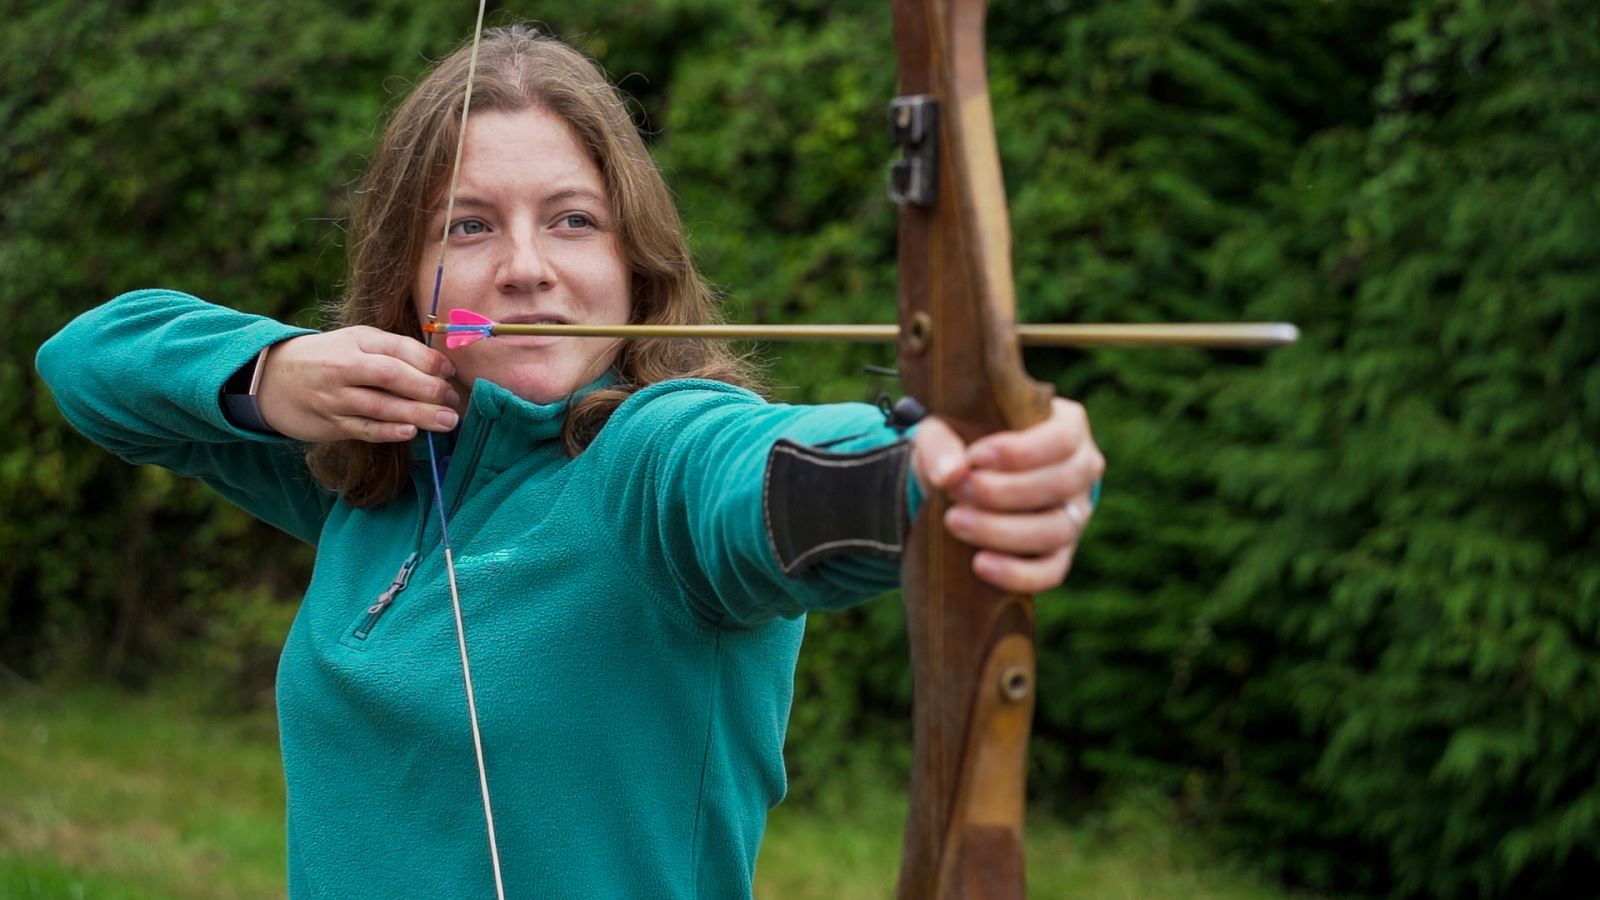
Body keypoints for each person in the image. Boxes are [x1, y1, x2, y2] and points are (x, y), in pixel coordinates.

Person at [37, 25, 1103, 899]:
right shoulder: (382, 469)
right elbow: (86, 362)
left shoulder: (650, 463)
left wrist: (936, 474)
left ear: (634, 264)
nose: (528, 269)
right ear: (409, 281)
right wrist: (272, 374)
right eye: (469, 226)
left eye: (572, 221)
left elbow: (764, 478)